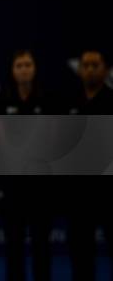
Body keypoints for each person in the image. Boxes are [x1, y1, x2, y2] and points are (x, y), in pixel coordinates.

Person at [0, 49, 55, 281]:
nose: (24, 69)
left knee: (42, 247)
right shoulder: (3, 100)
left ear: (35, 68)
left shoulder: (47, 100)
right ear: (12, 70)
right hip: (13, 188)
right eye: (19, 65)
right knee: (14, 248)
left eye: (28, 64)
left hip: (41, 187)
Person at [65, 49, 113, 281]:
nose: (91, 69)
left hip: (108, 191)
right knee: (81, 255)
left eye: (96, 64)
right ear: (79, 69)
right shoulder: (69, 103)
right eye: (86, 65)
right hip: (78, 192)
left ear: (105, 69)